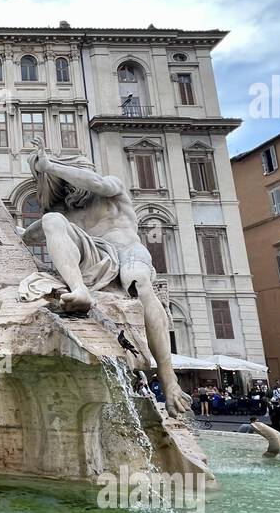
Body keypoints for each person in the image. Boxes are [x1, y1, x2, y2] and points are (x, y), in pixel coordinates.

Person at [21, 145, 188, 415]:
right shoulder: (65, 211)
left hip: (128, 252)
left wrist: (51, 166)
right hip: (97, 257)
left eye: (76, 174)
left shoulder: (110, 187)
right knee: (52, 219)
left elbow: (95, 182)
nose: (74, 186)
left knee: (139, 282)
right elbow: (31, 235)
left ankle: (169, 380)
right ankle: (80, 291)